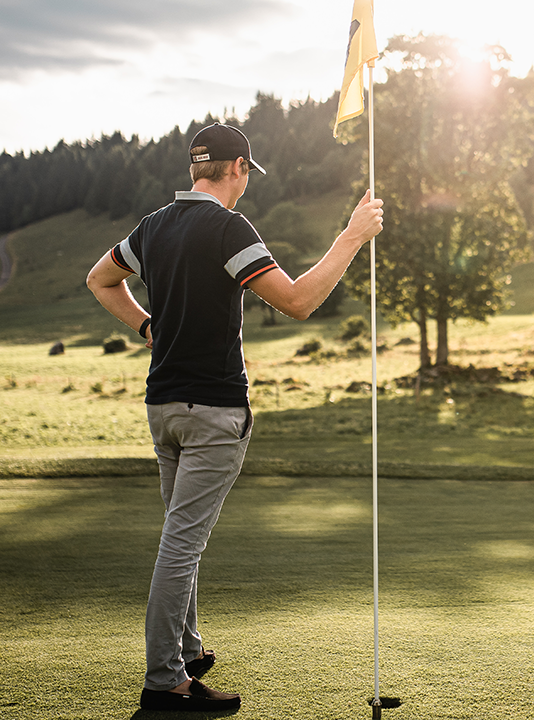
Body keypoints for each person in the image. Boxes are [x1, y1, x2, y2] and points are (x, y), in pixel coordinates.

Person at [86, 122, 384, 711]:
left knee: (179, 535)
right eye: (247, 172)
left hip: (163, 407)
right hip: (215, 411)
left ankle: (189, 650)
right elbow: (298, 301)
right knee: (182, 546)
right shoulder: (229, 228)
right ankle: (165, 680)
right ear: (238, 169)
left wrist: (149, 327)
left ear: (197, 167)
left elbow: (101, 280)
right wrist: (350, 238)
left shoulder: (154, 226)